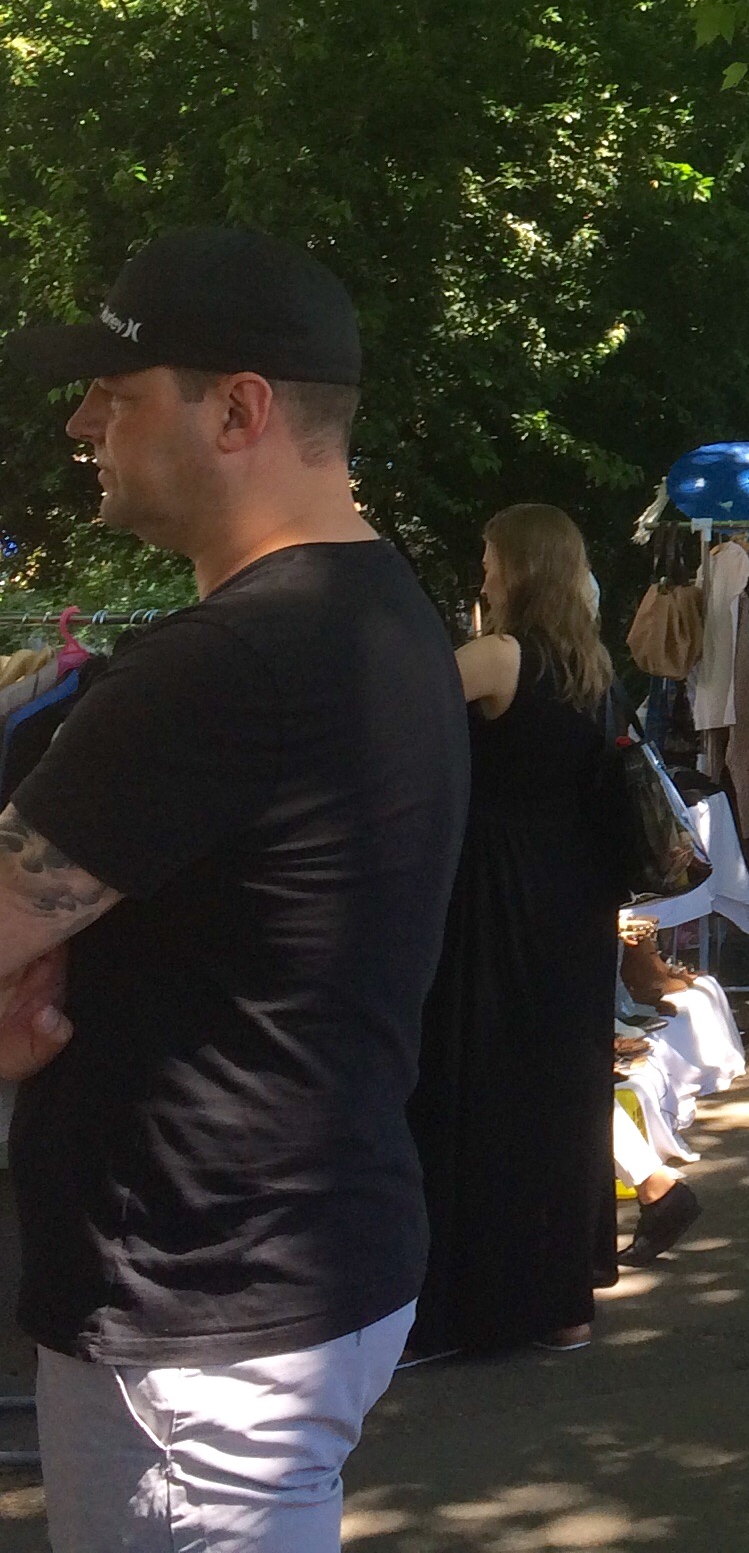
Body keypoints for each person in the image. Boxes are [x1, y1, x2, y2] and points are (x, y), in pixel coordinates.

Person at [0, 225, 467, 1549]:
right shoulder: (380, 613)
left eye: (115, 393)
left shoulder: (225, 668)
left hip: (198, 1317)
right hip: (292, 1269)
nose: (82, 423)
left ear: (239, 411)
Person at [408, 504, 661, 1359]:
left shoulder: (497, 656)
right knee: (562, 1091)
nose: (482, 573)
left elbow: (387, 714)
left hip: (496, 891)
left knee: (481, 1085)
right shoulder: (593, 665)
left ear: (517, 567)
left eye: (490, 559)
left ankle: (477, 1305)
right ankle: (562, 1299)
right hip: (576, 896)